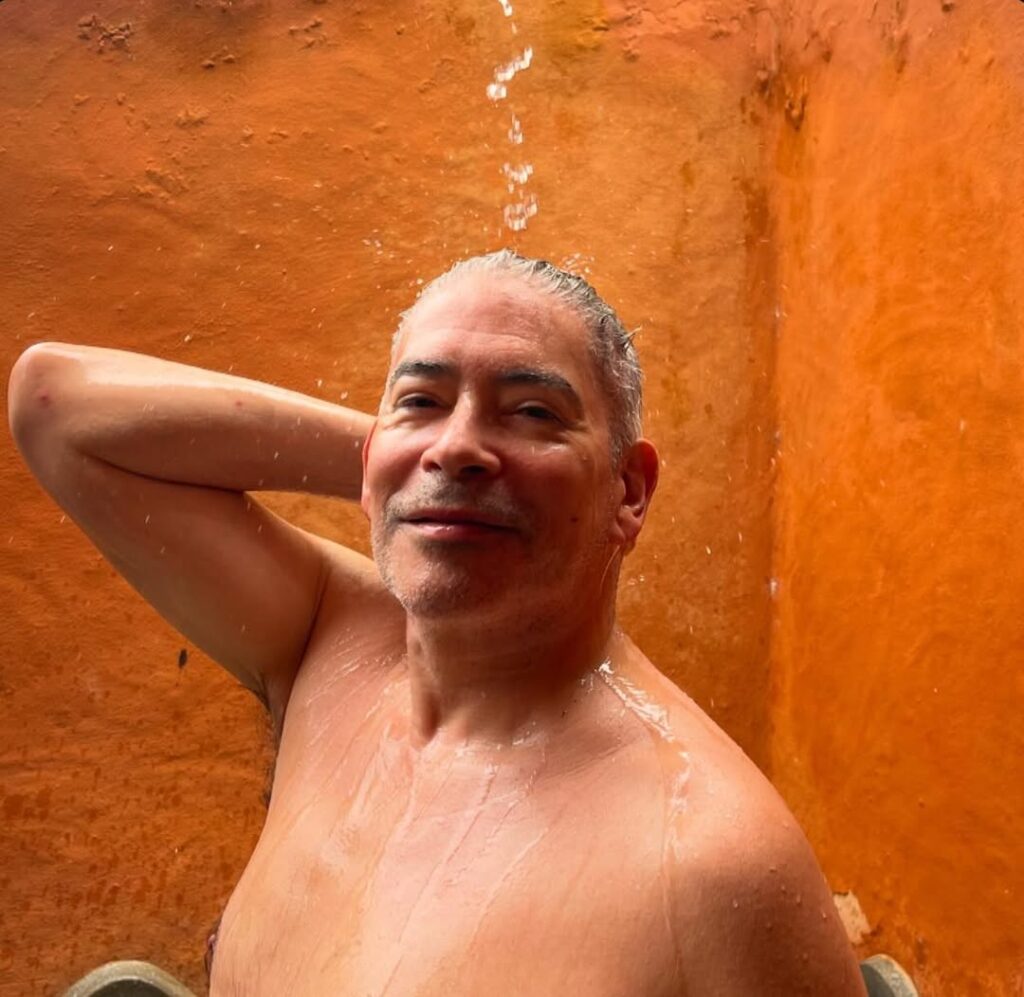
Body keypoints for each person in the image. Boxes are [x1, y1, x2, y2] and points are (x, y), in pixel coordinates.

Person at [8, 251, 866, 996]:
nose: (457, 444)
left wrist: (431, 457)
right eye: (421, 398)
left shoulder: (709, 860)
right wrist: (401, 467)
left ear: (629, 491)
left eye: (532, 412)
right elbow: (55, 406)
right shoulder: (329, 643)